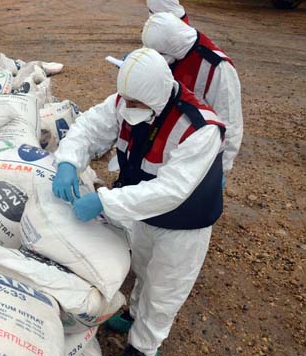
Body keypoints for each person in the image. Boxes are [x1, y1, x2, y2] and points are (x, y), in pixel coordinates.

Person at [52, 48, 226, 356]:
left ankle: (144, 346)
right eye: (127, 100)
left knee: (165, 290)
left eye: (136, 103)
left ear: (159, 94)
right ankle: (134, 313)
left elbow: (171, 191)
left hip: (184, 224)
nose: (128, 108)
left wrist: (103, 201)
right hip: (141, 212)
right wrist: (68, 161)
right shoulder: (125, 102)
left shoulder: (199, 127)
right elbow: (89, 128)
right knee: (143, 267)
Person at [142, 12, 243, 174]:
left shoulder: (217, 68)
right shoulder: (169, 47)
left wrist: (220, 168)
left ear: (172, 46)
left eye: (161, 54)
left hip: (198, 150)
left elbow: (230, 122)